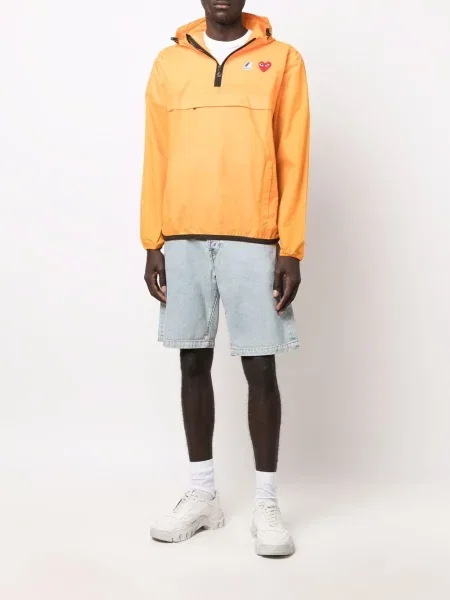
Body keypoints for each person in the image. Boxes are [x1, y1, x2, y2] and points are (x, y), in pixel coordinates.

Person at [141, 0, 309, 557]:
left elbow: (293, 155)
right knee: (192, 361)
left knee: (261, 366)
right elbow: (157, 151)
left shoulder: (282, 59)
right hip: (183, 234)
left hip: (254, 235)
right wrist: (152, 240)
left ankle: (266, 503)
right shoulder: (169, 63)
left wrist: (291, 246)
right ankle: (203, 495)